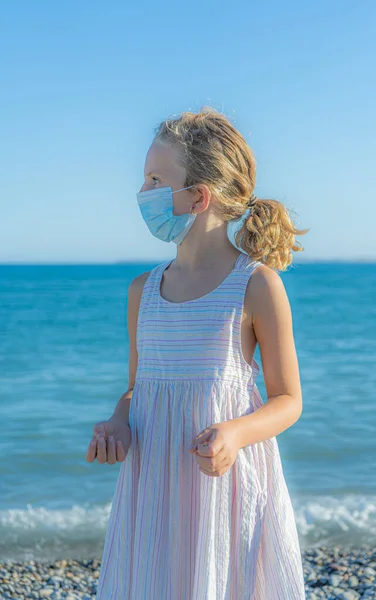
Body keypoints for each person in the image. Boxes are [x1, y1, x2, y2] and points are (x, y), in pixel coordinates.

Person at [86, 106, 309, 599]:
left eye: (154, 178)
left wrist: (235, 431)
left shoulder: (255, 286)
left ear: (197, 197)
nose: (142, 192)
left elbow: (288, 399)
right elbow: (136, 388)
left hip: (223, 489)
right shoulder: (142, 290)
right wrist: (118, 421)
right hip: (153, 489)